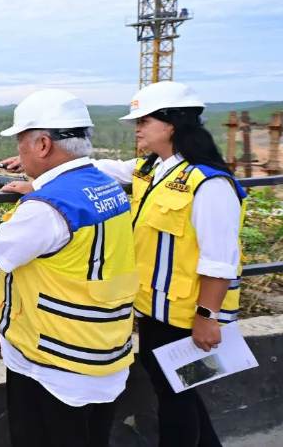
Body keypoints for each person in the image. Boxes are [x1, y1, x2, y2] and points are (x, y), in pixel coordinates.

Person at [0, 89, 137, 447]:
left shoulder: (47, 208)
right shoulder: (106, 184)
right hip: (103, 350)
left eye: (22, 143)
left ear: (43, 144)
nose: (20, 152)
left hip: (55, 363)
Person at [98, 81, 245, 447]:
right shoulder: (154, 169)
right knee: (180, 390)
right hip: (155, 310)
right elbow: (105, 169)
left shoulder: (208, 183)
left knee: (175, 398)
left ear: (171, 124)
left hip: (187, 317)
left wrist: (207, 317)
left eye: (144, 120)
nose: (138, 128)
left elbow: (219, 259)